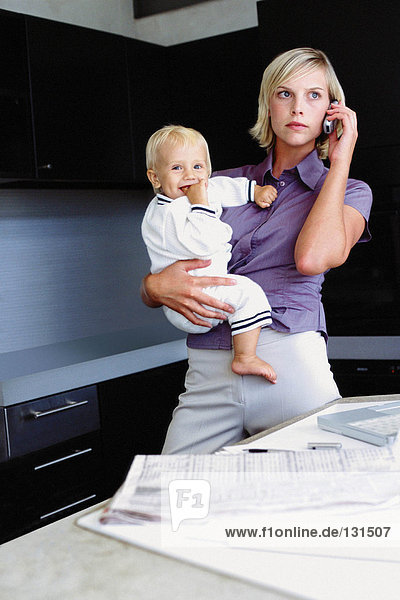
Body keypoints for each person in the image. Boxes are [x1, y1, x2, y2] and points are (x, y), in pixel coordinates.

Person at [140, 47, 373, 454]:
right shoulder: (217, 182)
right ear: (268, 104)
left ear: (331, 111)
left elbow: (312, 259)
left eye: (314, 96)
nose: (298, 108)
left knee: (324, 499)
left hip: (289, 364)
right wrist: (152, 287)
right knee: (170, 498)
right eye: (285, 94)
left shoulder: (349, 190)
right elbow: (163, 251)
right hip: (208, 368)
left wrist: (341, 159)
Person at [142, 125, 277, 382]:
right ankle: (245, 357)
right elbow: (204, 243)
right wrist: (201, 204)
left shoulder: (197, 190)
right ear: (155, 178)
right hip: (194, 300)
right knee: (248, 294)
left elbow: (224, 187)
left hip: (204, 289)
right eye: (176, 168)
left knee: (243, 295)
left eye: (197, 167)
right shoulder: (167, 213)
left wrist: (254, 191)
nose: (190, 176)